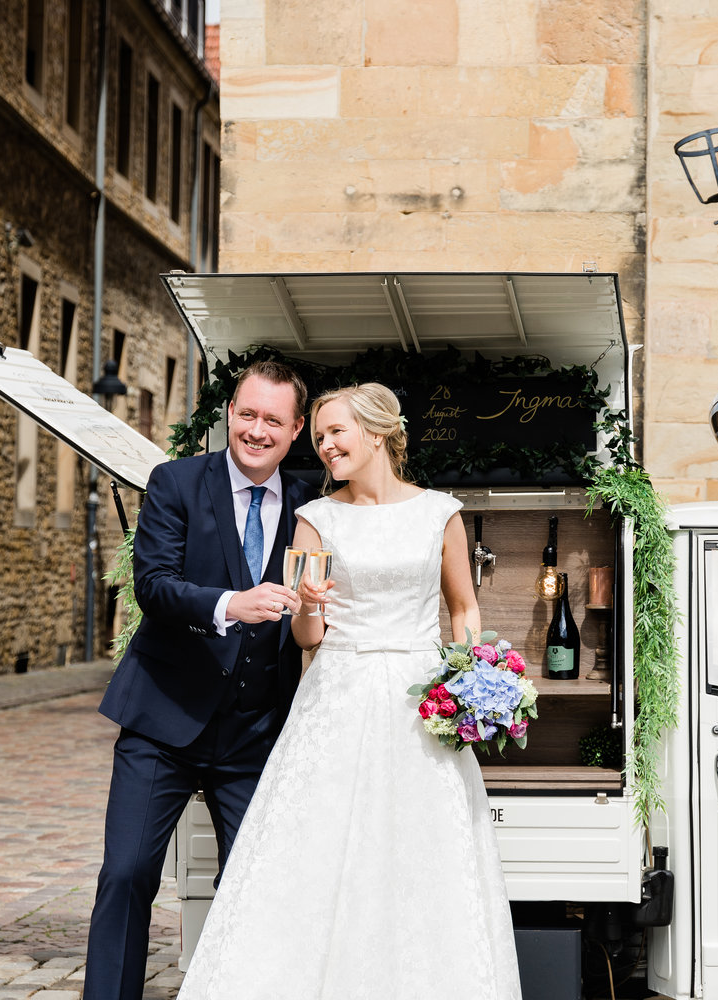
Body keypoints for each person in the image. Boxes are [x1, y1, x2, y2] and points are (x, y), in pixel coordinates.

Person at [176, 383, 522, 1000]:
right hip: (337, 693)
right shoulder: (316, 520)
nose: (325, 445)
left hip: (422, 703)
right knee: (318, 850)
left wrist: (470, 684)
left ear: (379, 432)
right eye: (319, 437)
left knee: (421, 853)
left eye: (336, 432)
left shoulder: (440, 512)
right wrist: (308, 605)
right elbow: (308, 637)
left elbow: (464, 608)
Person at [84, 359, 314, 1000]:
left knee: (256, 885)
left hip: (253, 735)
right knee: (126, 874)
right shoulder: (176, 482)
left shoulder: (311, 505)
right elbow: (153, 587)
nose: (256, 430)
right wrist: (230, 604)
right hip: (163, 720)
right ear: (229, 413)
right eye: (247, 413)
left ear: (295, 430)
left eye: (274, 420)